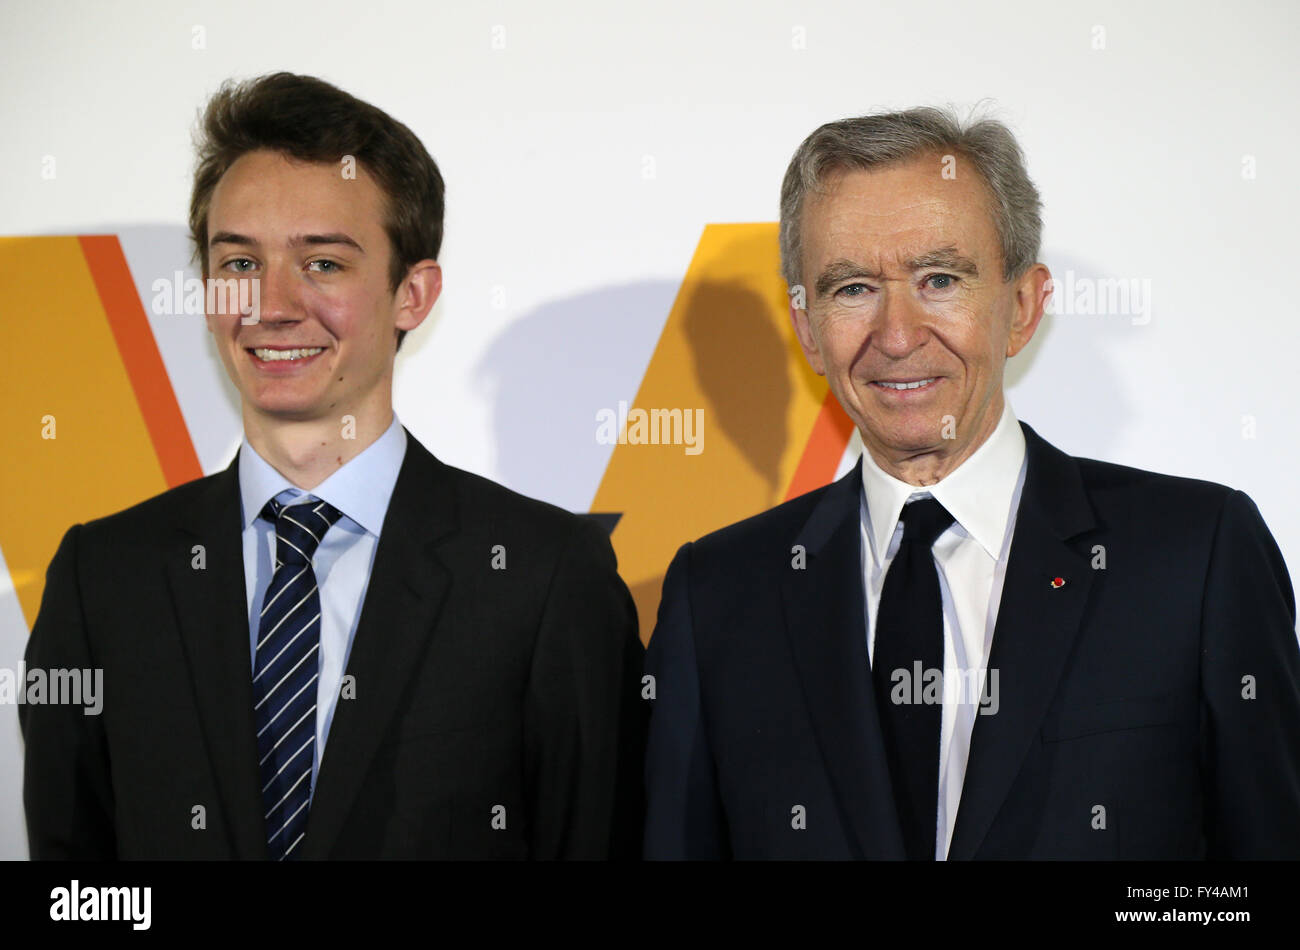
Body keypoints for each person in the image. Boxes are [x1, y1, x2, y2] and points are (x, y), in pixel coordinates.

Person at [643, 107, 1300, 859]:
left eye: (940, 279)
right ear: (807, 329)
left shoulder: (1195, 557)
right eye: (853, 288)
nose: (896, 335)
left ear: (1022, 306)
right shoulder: (719, 593)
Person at [22, 72, 644, 860]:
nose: (272, 305)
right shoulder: (104, 578)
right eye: (240, 264)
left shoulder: (545, 578)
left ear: (412, 294)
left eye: (322, 264)